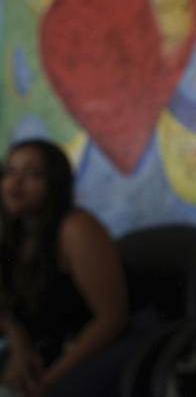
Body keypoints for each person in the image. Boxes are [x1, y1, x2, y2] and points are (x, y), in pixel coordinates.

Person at [0, 139, 129, 397]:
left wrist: (47, 382)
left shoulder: (76, 229)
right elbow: (6, 308)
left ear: (53, 184)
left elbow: (112, 320)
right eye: (9, 172)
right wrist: (19, 350)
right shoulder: (12, 234)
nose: (16, 183)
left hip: (100, 347)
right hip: (51, 347)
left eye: (32, 173)